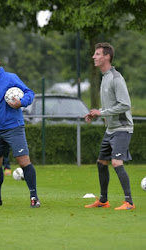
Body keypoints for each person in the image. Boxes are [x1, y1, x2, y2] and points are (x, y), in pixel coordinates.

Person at [0, 52, 40, 208]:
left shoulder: (10, 78)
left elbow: (30, 93)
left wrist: (21, 102)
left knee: (23, 161)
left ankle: (34, 197)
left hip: (13, 127)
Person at [84, 42, 135, 210]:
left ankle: (129, 202)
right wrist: (97, 111)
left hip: (122, 128)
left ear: (107, 57)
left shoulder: (116, 78)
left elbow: (125, 105)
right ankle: (103, 201)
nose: (94, 57)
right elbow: (110, 106)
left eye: (97, 54)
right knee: (101, 162)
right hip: (110, 129)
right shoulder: (105, 77)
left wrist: (102, 113)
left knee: (116, 162)